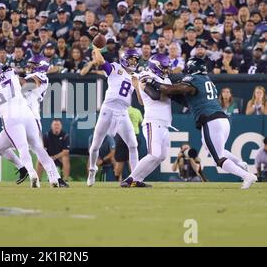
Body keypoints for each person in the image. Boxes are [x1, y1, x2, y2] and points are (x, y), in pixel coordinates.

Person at [147, 57, 256, 189]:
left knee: (218, 159)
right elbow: (187, 101)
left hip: (211, 120)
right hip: (222, 119)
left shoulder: (194, 80)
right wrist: (169, 93)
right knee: (209, 147)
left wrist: (154, 83)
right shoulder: (206, 80)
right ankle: (240, 162)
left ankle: (246, 176)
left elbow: (173, 90)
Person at [0, 58, 66, 188]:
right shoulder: (10, 74)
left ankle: (41, 175)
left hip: (17, 117)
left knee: (26, 148)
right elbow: (17, 79)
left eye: (33, 64)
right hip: (24, 113)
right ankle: (41, 174)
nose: (29, 66)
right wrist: (8, 71)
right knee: (27, 147)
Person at [87, 48, 140, 187]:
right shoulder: (115, 68)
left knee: (133, 144)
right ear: (124, 59)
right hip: (108, 110)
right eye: (131, 60)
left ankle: (135, 177)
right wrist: (96, 47)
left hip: (123, 112)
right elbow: (99, 61)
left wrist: (137, 86)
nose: (133, 62)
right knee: (95, 145)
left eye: (135, 60)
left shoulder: (136, 76)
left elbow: (141, 100)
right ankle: (92, 170)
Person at [121, 54, 172, 187]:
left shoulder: (166, 80)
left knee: (161, 156)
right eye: (163, 67)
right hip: (153, 121)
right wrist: (171, 91)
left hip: (165, 123)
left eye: (167, 67)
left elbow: (141, 101)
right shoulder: (145, 75)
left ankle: (137, 180)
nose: (166, 70)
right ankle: (130, 179)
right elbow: (154, 95)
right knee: (154, 154)